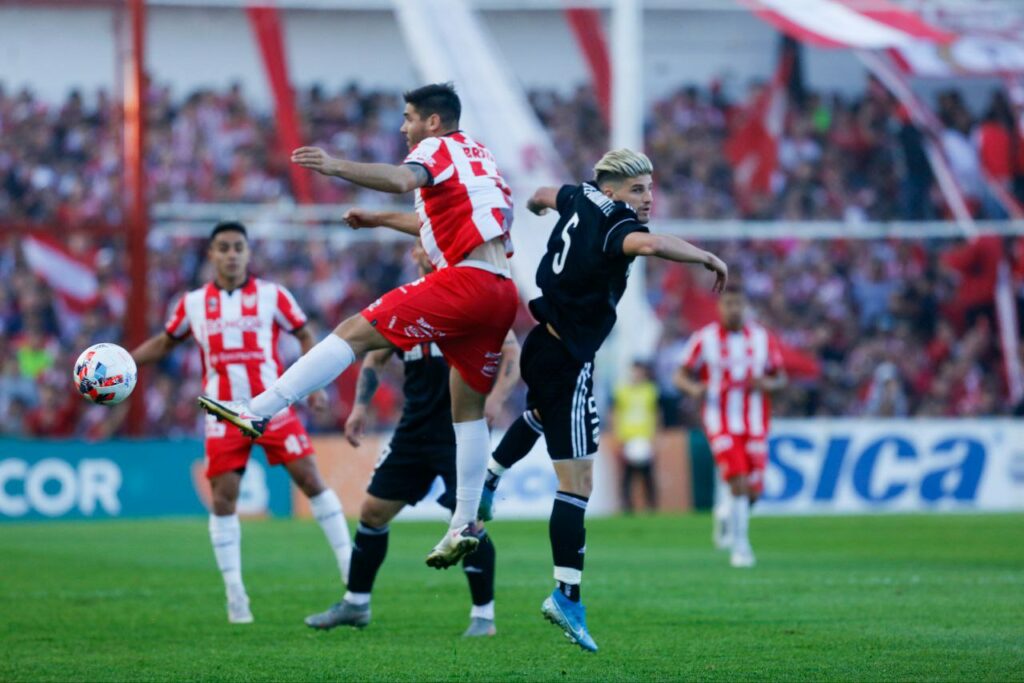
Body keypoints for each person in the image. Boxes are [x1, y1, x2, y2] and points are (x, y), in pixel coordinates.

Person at [196, 83, 519, 569]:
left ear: (433, 121)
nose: (405, 126)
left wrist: (335, 166)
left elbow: (400, 179)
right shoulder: (480, 157)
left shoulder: (434, 148)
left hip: (465, 282)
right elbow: (442, 218)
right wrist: (379, 221)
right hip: (500, 290)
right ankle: (464, 522)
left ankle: (259, 410)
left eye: (410, 117)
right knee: (466, 407)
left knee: (353, 331)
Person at [479, 149, 728, 651]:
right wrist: (704, 255)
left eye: (650, 189)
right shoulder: (616, 222)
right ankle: (566, 596)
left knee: (542, 415)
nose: (647, 198)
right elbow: (651, 243)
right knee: (578, 483)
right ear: (612, 190)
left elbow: (546, 194)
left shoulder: (581, 196)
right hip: (568, 354)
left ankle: (490, 478)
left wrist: (532, 204)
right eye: (638, 190)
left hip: (543, 344)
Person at [131, 221, 352, 624]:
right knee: (223, 499)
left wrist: (316, 385)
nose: (232, 254)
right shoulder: (192, 303)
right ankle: (235, 592)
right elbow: (165, 342)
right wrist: (128, 363)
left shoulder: (272, 295)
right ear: (212, 255)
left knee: (310, 479)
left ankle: (349, 568)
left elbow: (306, 335)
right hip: (222, 412)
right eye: (223, 248)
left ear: (248, 253)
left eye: (238, 247)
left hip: (271, 404)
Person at [304, 243, 519, 637]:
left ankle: (483, 616)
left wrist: (497, 399)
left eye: (429, 241)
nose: (425, 248)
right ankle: (356, 604)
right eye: (420, 242)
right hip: (414, 430)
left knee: (467, 525)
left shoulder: (473, 293)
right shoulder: (412, 300)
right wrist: (360, 407)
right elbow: (375, 355)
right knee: (372, 512)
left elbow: (511, 352)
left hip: (459, 432)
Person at [673, 283, 787, 569]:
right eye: (728, 304)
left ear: (746, 307)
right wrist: (693, 389)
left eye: (738, 304)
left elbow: (781, 377)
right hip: (720, 419)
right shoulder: (705, 338)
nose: (733, 309)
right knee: (737, 480)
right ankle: (741, 547)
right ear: (720, 307)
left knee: (754, 490)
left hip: (755, 420)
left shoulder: (763, 338)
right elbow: (680, 374)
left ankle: (726, 512)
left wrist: (768, 383)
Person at [613, 360, 659, 513]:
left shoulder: (650, 391)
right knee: (627, 476)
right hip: (628, 438)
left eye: (639, 371)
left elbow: (656, 414)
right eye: (634, 371)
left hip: (645, 438)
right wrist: (618, 437)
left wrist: (655, 438)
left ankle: (651, 506)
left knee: (647, 476)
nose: (636, 374)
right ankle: (627, 506)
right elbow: (616, 414)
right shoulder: (622, 391)